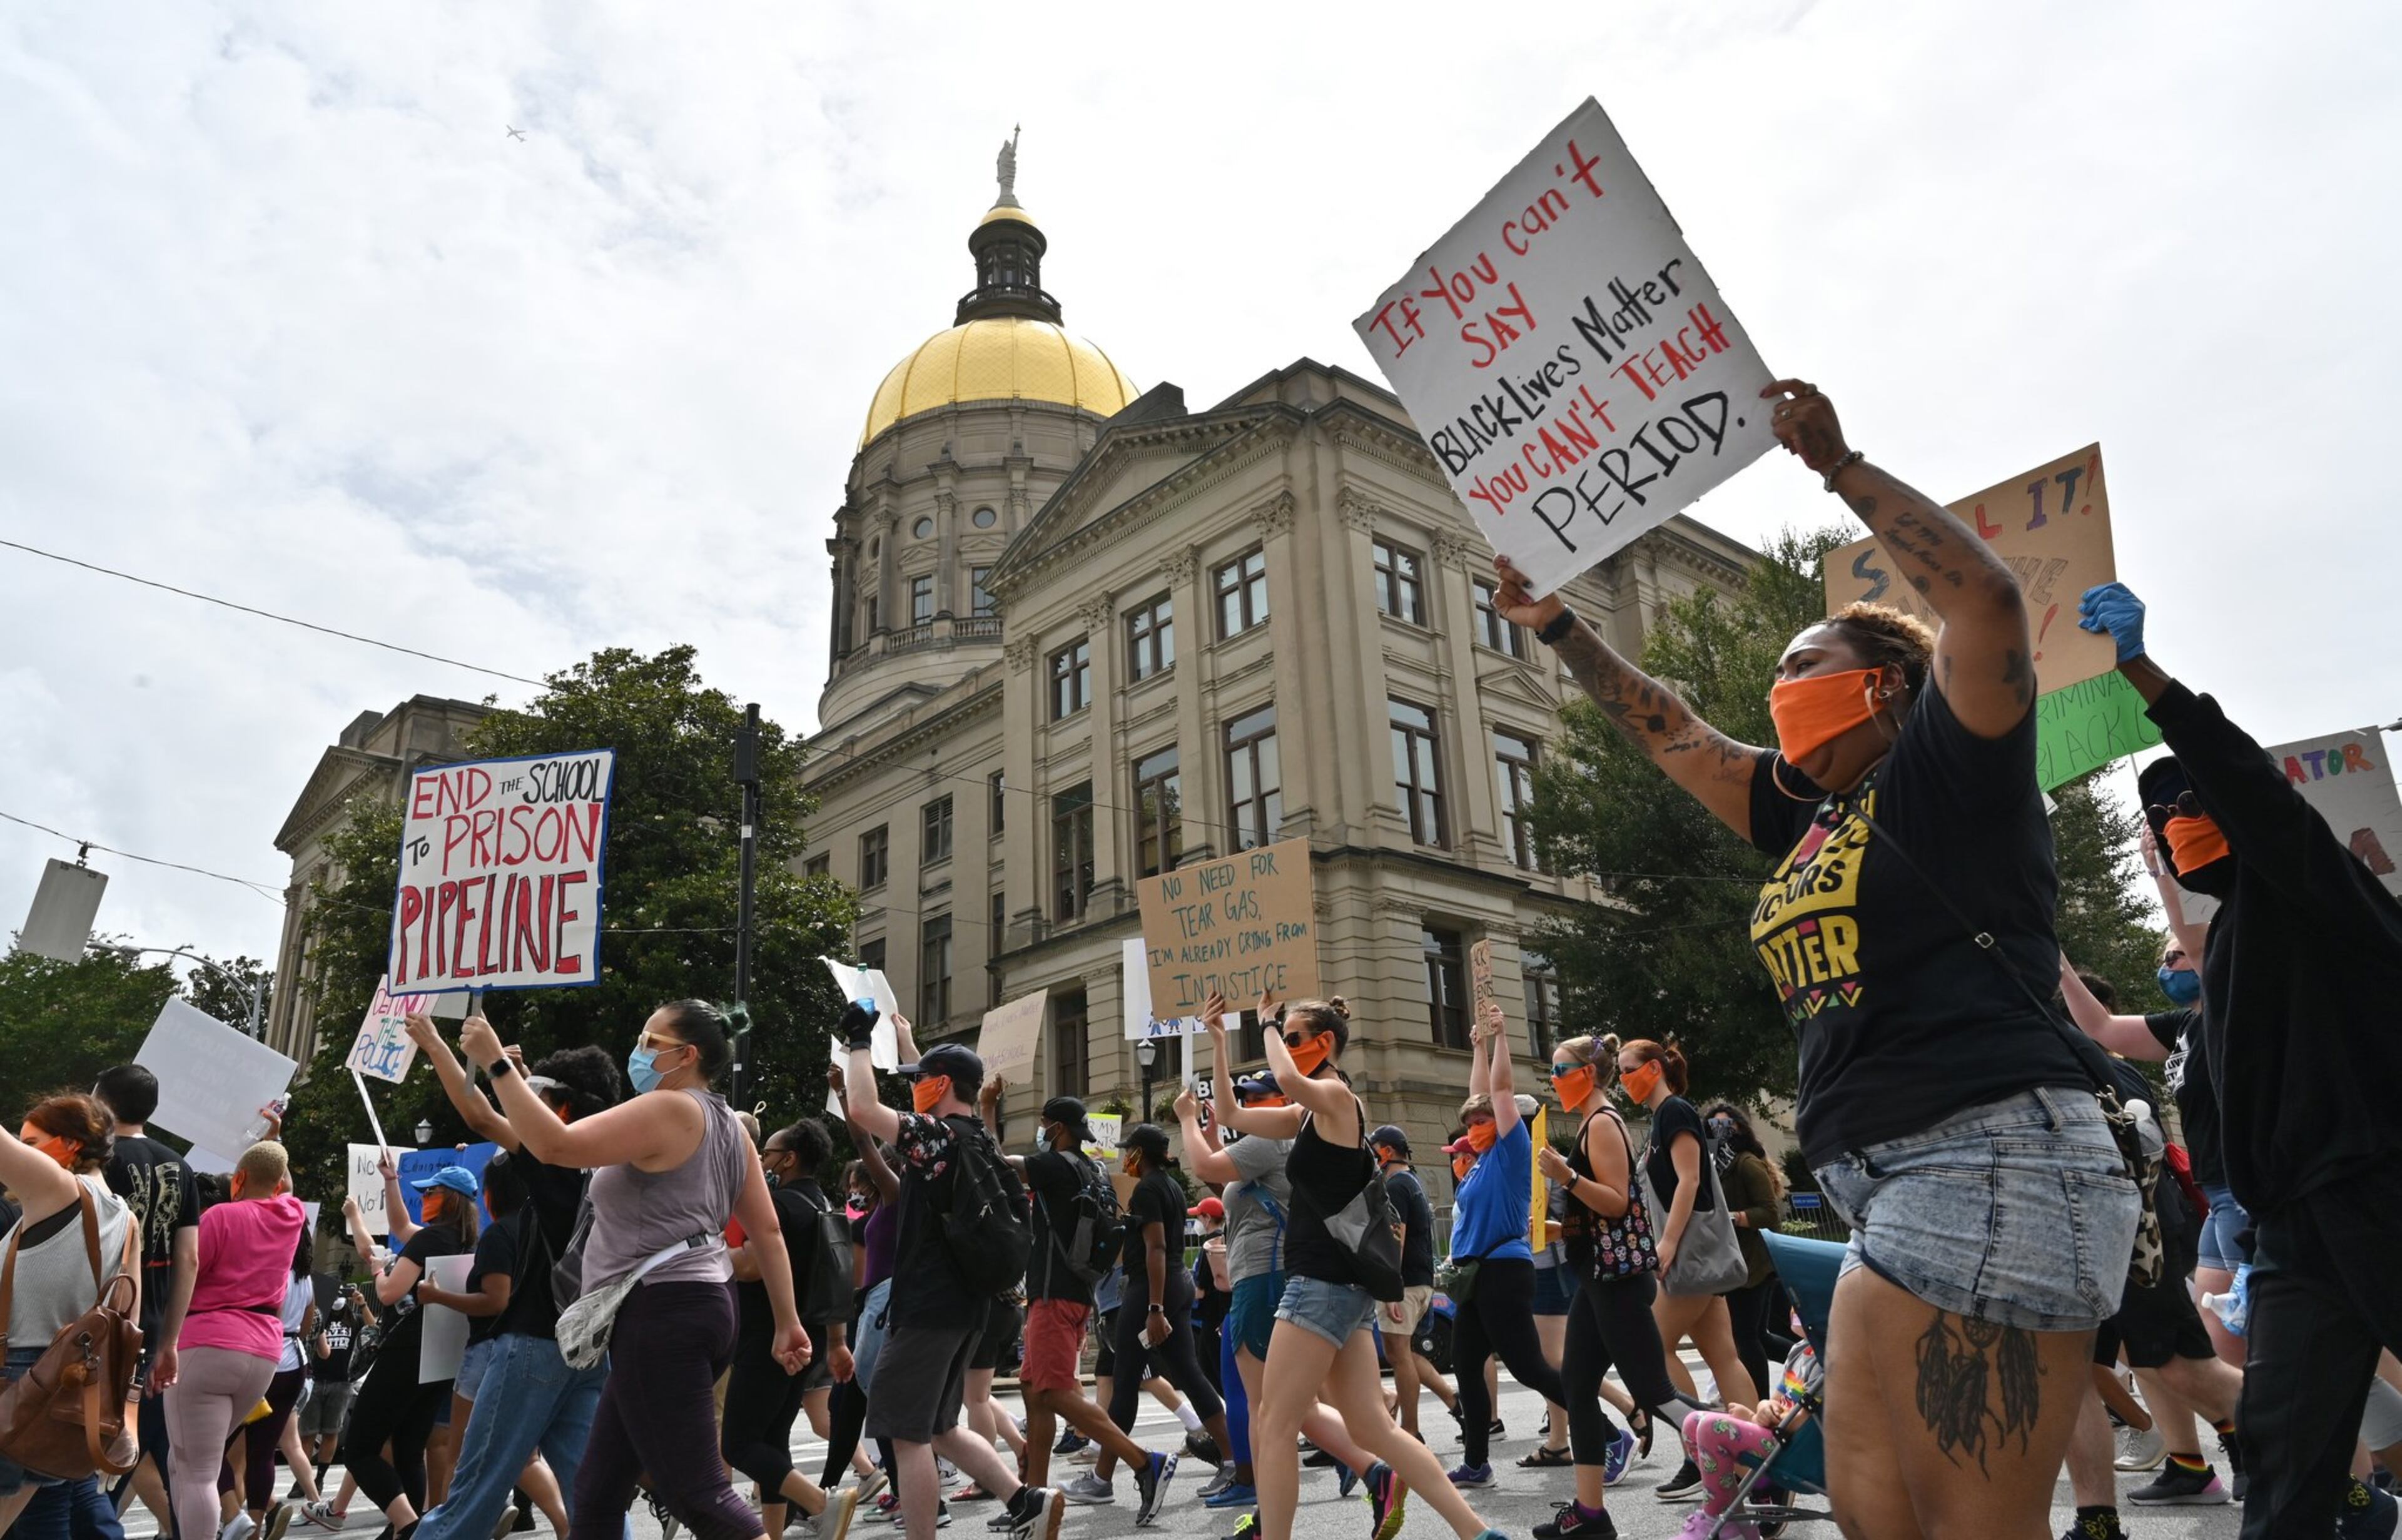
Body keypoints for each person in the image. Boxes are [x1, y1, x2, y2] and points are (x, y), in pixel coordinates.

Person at [1494, 380, 2139, 1537]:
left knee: (1965, 1526)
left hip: (1990, 1153)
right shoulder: (1806, 814)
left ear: (1887, 682)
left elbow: (1988, 600)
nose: (1780, 691)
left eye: (1804, 664)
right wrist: (1553, 624)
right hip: (1883, 1190)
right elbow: (1672, 730)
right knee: (1876, 1518)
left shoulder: (1955, 766)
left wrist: (1839, 467)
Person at [2080, 577, 2402, 1539]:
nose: (2178, 823)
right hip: (2297, 1230)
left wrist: (2145, 673)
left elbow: (2256, 797)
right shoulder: (2238, 949)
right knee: (2282, 1446)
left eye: (2188, 804)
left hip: (2379, 1194)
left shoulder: (2319, 889)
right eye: (2161, 818)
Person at [467, 1001, 808, 1540]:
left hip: (662, 1314)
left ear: (687, 1055)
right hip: (697, 1306)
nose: (639, 1049)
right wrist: (788, 1321)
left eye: (651, 1041)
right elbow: (765, 1231)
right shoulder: (727, 1124)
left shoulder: (668, 1110)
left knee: (700, 1495)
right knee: (598, 1494)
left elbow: (557, 1145)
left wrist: (497, 1066)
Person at [1214, 995, 1509, 1540]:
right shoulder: (1308, 1113)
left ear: (1324, 1044)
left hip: (1320, 1283)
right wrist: (1215, 1041)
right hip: (1341, 1288)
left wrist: (1267, 1024)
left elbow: (1286, 1075)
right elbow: (1232, 1115)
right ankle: (1478, 1533)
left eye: (1297, 1037)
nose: (1287, 1047)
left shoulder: (1335, 1097)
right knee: (1373, 1426)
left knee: (1275, 1423)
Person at [380, 1023, 622, 1540]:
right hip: (591, 1350)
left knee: (467, 1499)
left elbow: (479, 1113)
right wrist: (529, 1079)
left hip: (534, 1345)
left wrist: (435, 1044)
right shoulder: (616, 1164)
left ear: (560, 1109)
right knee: (593, 1497)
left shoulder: (554, 1158)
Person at [836, 1005, 1064, 1540]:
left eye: (921, 1083)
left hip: (928, 1305)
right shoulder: (978, 1137)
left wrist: (858, 1043)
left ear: (939, 1086)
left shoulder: (934, 1138)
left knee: (901, 1431)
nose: (914, 1090)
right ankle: (1024, 1499)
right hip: (969, 1303)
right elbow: (940, 1091)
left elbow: (865, 1108)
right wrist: (911, 1044)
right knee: (939, 1427)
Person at [1173, 1043, 1394, 1536]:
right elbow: (1222, 1166)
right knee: (1291, 1408)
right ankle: (1367, 1473)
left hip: (1264, 1276)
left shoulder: (1272, 1142)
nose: (1249, 1105)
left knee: (1269, 1409)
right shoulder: (1281, 1144)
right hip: (1272, 1274)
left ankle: (1355, 1478)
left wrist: (1187, 1120)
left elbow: (1207, 1168)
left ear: (1281, 1099)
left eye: (1258, 1096)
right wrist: (1209, 1123)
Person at [1536, 1033, 1691, 1540]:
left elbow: (1618, 1203)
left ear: (1587, 1073)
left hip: (1617, 1282)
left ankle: (1753, 1460)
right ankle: (1591, 1514)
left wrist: (1565, 1177)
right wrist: (1560, 1228)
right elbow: (1599, 1215)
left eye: (1560, 1071)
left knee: (1655, 1392)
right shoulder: (1589, 1123)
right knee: (1576, 1385)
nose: (1553, 1080)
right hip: (1598, 1278)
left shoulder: (1602, 1124)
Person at [991, 1087, 1170, 1497]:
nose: (1040, 1131)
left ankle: (1145, 1462)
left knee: (1052, 1392)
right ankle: (1033, 1497)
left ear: (1056, 1129)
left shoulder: (1054, 1166)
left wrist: (987, 1110)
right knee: (1035, 1392)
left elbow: (1000, 1166)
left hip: (1054, 1293)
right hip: (1076, 1293)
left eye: (1042, 1124)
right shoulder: (1094, 1170)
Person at [1439, 1000, 1575, 1492]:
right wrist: (1476, 1045)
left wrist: (1501, 1037)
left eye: (1483, 1122)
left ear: (1505, 1123)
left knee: (1528, 1366)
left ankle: (1604, 1435)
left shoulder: (1513, 1150)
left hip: (1503, 1273)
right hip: (1478, 1277)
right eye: (1469, 1124)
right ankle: (1477, 1462)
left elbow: (1496, 1091)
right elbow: (1481, 1093)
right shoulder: (1477, 1162)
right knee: (1468, 1368)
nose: (1474, 1129)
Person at [1620, 1040, 1758, 1502]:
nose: (1623, 1081)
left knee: (1652, 1351)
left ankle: (1702, 1452)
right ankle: (1755, 1452)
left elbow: (1690, 1179)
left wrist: (1666, 1244)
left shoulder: (1674, 1112)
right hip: (1696, 1254)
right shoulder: (1666, 1116)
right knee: (1723, 1354)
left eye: (1627, 1071)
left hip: (1687, 1252)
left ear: (1654, 1068)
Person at [0, 1094, 138, 1540]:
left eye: (32, 1142)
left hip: (21, 1380)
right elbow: (127, 1324)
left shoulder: (60, 1190)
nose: (25, 1152)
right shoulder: (124, 1217)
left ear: (70, 1145)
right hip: (67, 1390)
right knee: (38, 1520)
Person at [154, 1140, 303, 1540]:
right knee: (183, 1462)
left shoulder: (221, 1215)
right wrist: (274, 1135)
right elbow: (280, 1175)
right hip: (264, 1353)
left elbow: (187, 1277)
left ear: (237, 1179)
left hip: (208, 1344)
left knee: (197, 1472)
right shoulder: (291, 1214)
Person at [718, 1118, 859, 1540]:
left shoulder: (777, 1206)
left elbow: (748, 1266)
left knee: (738, 1444)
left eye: (770, 1152)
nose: (763, 1158)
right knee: (774, 1439)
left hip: (770, 1336)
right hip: (809, 1335)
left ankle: (819, 1503)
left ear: (789, 1159)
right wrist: (837, 1342)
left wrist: (706, 1249)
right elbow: (837, 1280)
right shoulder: (824, 1206)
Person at [1078, 1122, 1225, 1513]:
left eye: (1131, 1151)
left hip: (1151, 1290)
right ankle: (1232, 1461)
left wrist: (1155, 1309)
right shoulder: (1172, 1187)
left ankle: (1101, 1479)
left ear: (1141, 1154)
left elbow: (1156, 1247)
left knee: (1124, 1382)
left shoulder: (1147, 1189)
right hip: (1173, 1284)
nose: (1127, 1157)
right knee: (1189, 1374)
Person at [337, 1157, 477, 1540]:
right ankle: (410, 1528)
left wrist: (379, 1267)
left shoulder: (432, 1239)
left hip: (405, 1355)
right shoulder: (462, 1241)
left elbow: (388, 1292)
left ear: (449, 1199)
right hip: (438, 1360)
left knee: (361, 1449)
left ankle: (409, 1524)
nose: (426, 1198)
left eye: (431, 1192)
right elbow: (400, 1226)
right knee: (409, 1448)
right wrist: (391, 1180)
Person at [92, 1065, 198, 1540]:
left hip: (102, 1320)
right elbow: (189, 1259)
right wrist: (171, 1340)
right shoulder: (180, 1165)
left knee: (96, 1457)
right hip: (155, 1326)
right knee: (145, 1444)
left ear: (101, 1101)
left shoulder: (99, 1161)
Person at [1671, 1320, 1823, 1540]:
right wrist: (1759, 1412)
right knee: (1693, 1423)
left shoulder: (1828, 1360)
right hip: (1779, 1437)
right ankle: (1736, 1524)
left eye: (1802, 1305)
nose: (1793, 1311)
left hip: (1797, 1451)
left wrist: (1757, 1419)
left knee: (1712, 1428)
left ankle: (1715, 1517)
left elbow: (1804, 1421)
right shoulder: (1799, 1350)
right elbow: (1777, 1402)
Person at [216, 1223, 318, 1540]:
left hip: (265, 1361)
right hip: (295, 1363)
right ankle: (256, 1527)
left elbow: (259, 1316)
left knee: (209, 1446)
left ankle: (233, 1515)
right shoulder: (305, 1277)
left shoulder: (271, 1271)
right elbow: (306, 1325)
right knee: (262, 1453)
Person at [1699, 1103, 1785, 1419]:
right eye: (1712, 1127)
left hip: (1754, 1265)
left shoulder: (1747, 1163)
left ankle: (1759, 1404)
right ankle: (1815, 1363)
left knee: (1746, 1337)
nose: (1719, 1134)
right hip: (1733, 1262)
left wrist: (1729, 1218)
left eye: (1726, 1126)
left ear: (1740, 1129)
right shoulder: (1713, 1167)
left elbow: (1769, 1214)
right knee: (1756, 1336)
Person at [1369, 1127, 1453, 1441]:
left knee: (1398, 1355)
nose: (1372, 1156)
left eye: (1375, 1149)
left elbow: (1396, 1237)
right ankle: (1449, 1404)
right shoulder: (1411, 1181)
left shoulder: (1396, 1186)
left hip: (1404, 1283)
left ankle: (1411, 1430)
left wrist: (1390, 1286)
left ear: (1387, 1152)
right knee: (1403, 1353)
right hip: (1416, 1281)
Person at [301, 1284, 368, 1476]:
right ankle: (302, 1478)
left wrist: (362, 1304)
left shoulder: (354, 1320)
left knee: (331, 1432)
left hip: (342, 1382)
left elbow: (373, 1329)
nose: (339, 1298)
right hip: (317, 1379)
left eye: (343, 1293)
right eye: (336, 1293)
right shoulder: (320, 1317)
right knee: (307, 1434)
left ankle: (320, 1476)